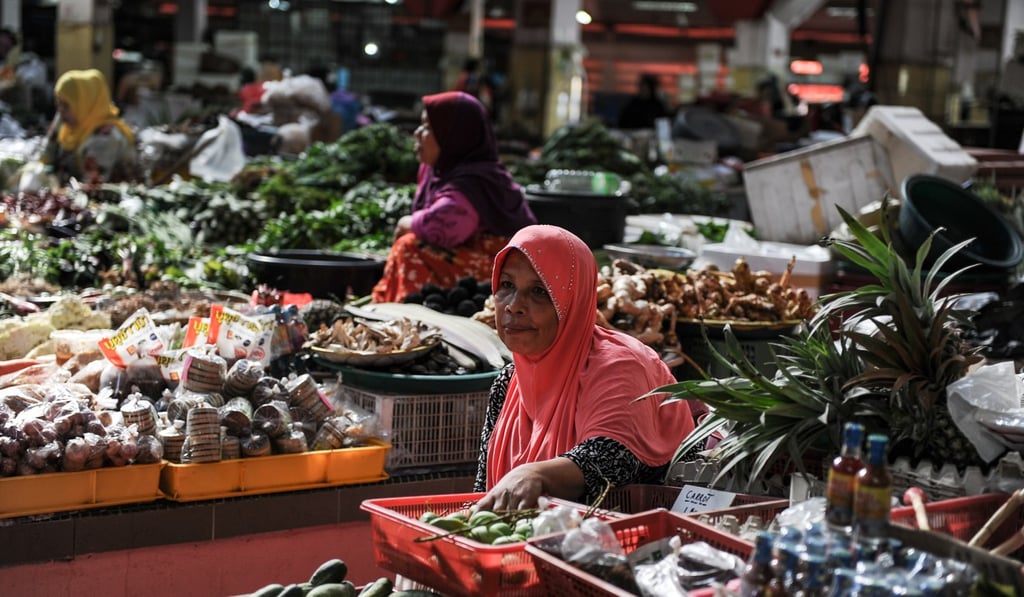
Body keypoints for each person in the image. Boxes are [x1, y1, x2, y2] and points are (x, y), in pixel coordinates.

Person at [473, 225, 695, 511]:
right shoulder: (509, 381)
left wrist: (535, 473)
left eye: (539, 291)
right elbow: (483, 491)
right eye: (506, 285)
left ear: (572, 301)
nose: (514, 306)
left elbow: (612, 457)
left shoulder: (619, 366)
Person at [371, 91, 536, 303]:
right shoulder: (437, 171)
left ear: (454, 138)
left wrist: (408, 222)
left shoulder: (473, 181)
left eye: (428, 127)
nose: (417, 133)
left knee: (409, 247)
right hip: (471, 263)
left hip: (506, 272)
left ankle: (411, 312)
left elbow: (447, 229)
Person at [40, 69, 140, 185]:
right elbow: (46, 156)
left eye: (66, 105)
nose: (60, 110)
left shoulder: (105, 138)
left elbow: (91, 186)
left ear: (85, 105)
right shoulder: (69, 125)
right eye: (59, 103)